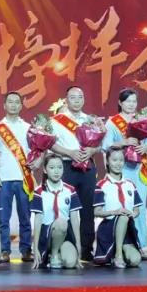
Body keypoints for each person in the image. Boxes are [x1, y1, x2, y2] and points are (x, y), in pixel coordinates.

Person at [102, 88, 147, 251]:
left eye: (134, 101)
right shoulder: (112, 122)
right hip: (121, 169)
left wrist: (146, 147)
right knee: (122, 204)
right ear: (120, 103)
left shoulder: (142, 119)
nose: (131, 104)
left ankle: (140, 244)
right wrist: (123, 143)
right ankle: (119, 244)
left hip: (140, 169)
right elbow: (105, 145)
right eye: (128, 101)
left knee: (139, 206)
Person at [50, 86, 98, 260]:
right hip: (66, 165)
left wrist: (92, 151)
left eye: (80, 97)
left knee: (88, 208)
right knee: (65, 207)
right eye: (73, 97)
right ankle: (67, 244)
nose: (77, 101)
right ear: (66, 100)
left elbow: (99, 143)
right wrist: (69, 152)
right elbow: (50, 144)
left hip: (87, 166)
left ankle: (86, 249)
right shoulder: (57, 120)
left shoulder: (91, 120)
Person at [0, 91, 34, 264]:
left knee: (25, 217)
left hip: (24, 178)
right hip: (4, 178)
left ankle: (26, 250)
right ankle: (4, 250)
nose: (13, 105)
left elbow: (35, 150)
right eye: (10, 102)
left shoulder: (28, 127)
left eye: (17, 102)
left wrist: (36, 164)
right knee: (3, 218)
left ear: (21, 106)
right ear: (4, 105)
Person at [93, 147, 144, 269]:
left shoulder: (130, 184)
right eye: (114, 160)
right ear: (107, 162)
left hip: (127, 229)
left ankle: (119, 251)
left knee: (135, 260)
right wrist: (116, 212)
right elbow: (97, 212)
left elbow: (137, 210)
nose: (118, 163)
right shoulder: (101, 185)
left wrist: (132, 214)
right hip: (108, 229)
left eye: (121, 160)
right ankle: (118, 255)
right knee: (122, 216)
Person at [30, 154, 82, 269]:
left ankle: (58, 253)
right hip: (47, 235)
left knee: (70, 263)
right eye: (52, 168)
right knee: (61, 222)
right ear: (45, 170)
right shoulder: (39, 192)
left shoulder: (70, 190)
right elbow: (37, 220)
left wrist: (78, 244)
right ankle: (53, 255)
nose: (56, 171)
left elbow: (74, 219)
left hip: (65, 234)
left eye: (59, 167)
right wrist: (35, 247)